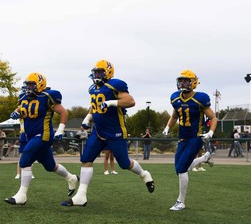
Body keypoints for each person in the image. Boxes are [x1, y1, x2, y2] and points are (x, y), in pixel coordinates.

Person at [61, 60, 154, 207]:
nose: (97, 75)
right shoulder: (93, 88)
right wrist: (87, 118)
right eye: (95, 72)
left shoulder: (115, 84)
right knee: (86, 159)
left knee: (124, 163)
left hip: (115, 131)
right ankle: (81, 196)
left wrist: (111, 102)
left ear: (108, 72)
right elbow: (94, 107)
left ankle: (144, 174)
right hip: (98, 130)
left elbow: (130, 101)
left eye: (100, 72)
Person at [4, 73, 79, 205]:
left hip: (43, 135)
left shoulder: (47, 97)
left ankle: (22, 195)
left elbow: (63, 112)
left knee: (25, 158)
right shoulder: (23, 97)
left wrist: (60, 130)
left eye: (32, 85)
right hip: (30, 136)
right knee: (50, 165)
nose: (29, 87)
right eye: (28, 85)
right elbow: (22, 107)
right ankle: (71, 177)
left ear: (40, 85)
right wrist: (17, 111)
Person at [162, 69, 216, 211]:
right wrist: (168, 127)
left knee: (182, 169)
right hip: (182, 138)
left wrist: (211, 132)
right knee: (179, 169)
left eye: (186, 80)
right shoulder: (175, 98)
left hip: (195, 137)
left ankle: (181, 201)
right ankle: (205, 158)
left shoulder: (200, 98)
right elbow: (174, 116)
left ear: (193, 82)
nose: (182, 83)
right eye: (181, 80)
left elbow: (213, 117)